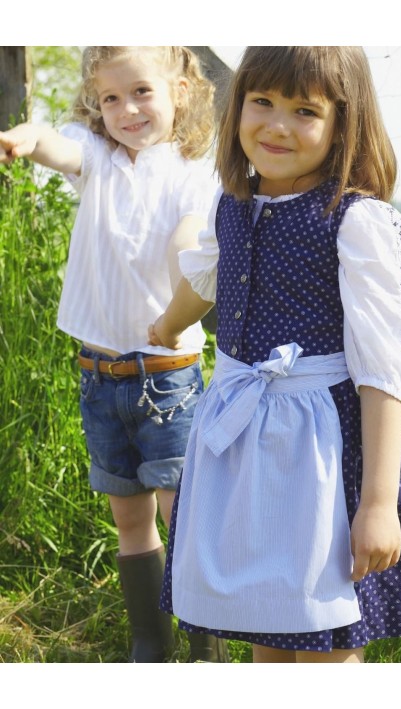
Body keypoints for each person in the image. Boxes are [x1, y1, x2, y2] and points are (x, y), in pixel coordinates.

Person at [148, 46, 401, 663]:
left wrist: (375, 504)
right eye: (262, 102)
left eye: (304, 110)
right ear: (238, 106)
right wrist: (165, 325)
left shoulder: (354, 221)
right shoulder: (232, 205)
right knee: (268, 624)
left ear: (343, 124)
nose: (277, 125)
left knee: (324, 632)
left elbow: (380, 371)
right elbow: (205, 279)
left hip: (325, 451)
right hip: (243, 446)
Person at [0, 45, 229, 663]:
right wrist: (25, 135)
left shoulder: (192, 170)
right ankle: (148, 644)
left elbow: (190, 236)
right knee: (130, 518)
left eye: (142, 92)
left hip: (169, 376)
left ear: (181, 89)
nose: (126, 109)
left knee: (183, 516)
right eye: (110, 98)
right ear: (95, 105)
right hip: (99, 375)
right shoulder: (96, 156)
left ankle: (207, 647)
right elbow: (57, 144)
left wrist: (185, 272)